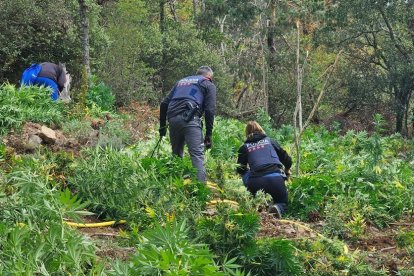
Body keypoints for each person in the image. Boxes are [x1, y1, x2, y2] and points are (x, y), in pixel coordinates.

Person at [159, 66, 217, 182]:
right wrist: (209, 134)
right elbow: (210, 110)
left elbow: (164, 104)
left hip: (173, 119)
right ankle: (200, 192)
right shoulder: (208, 84)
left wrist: (162, 127)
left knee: (176, 156)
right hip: (191, 120)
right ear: (209, 76)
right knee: (196, 156)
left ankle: (174, 188)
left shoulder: (181, 82)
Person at [236, 121, 292, 218]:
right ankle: (278, 207)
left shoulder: (244, 147)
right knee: (283, 202)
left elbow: (240, 169)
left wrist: (249, 171)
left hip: (256, 182)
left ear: (247, 134)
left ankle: (258, 201)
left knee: (246, 174)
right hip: (276, 179)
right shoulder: (271, 141)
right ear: (261, 130)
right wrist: (287, 170)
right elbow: (287, 160)